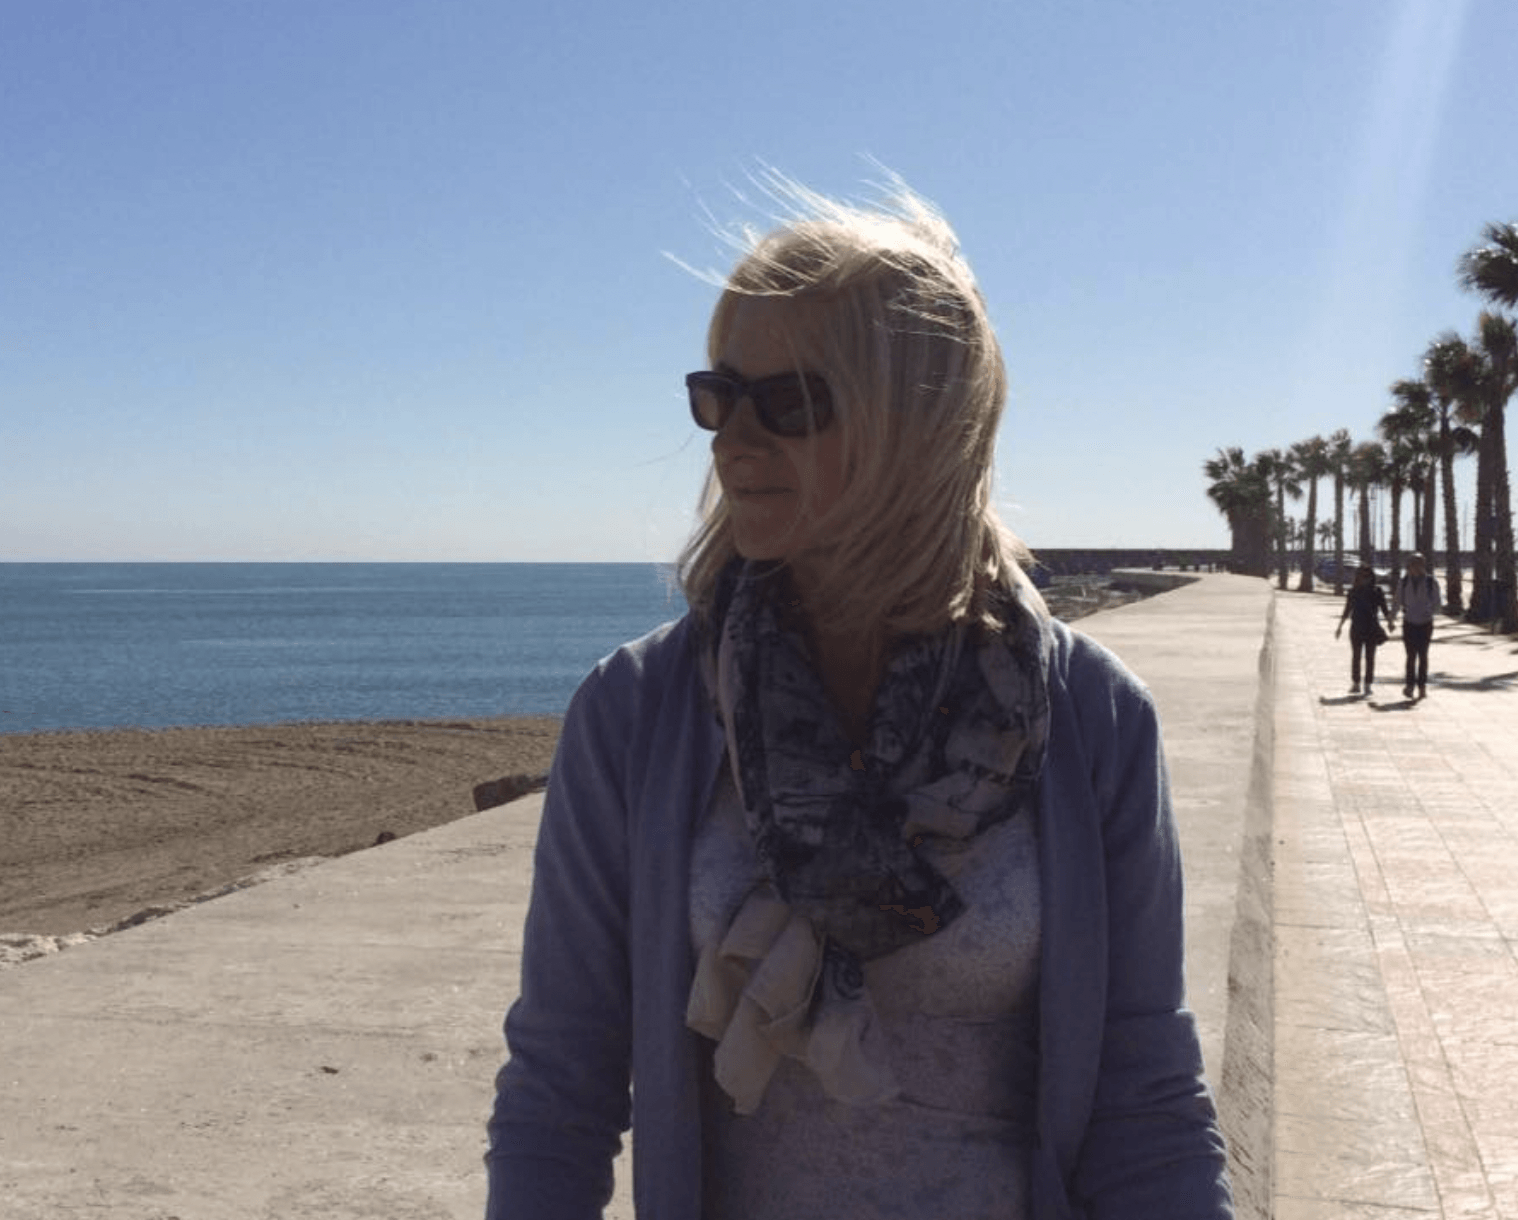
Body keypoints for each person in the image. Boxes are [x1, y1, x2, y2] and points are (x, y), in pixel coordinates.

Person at [484, 177, 1234, 1220]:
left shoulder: (1092, 719)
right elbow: (559, 1086)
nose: (731, 439)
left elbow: (1146, 1100)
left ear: (920, 424)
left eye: (787, 401)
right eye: (718, 394)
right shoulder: (637, 711)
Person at [1334, 565, 1393, 695]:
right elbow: (1347, 609)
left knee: (1370, 657)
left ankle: (1367, 684)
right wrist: (1340, 627)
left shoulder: (1377, 591)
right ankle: (1356, 683)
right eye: (1362, 576)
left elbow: (1384, 609)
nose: (1365, 579)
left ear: (1372, 577)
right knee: (1356, 656)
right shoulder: (1353, 591)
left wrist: (1390, 622)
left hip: (1371, 627)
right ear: (1357, 577)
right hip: (1356, 628)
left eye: (1367, 576)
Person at [1395, 553, 1440, 699]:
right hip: (1409, 623)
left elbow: (1437, 604)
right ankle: (1409, 685)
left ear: (1421, 566)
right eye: (1410, 565)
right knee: (1410, 657)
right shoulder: (1404, 582)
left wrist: (1427, 612)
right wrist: (1391, 617)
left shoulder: (1431, 582)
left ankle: (1422, 686)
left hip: (1425, 624)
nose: (1412, 568)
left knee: (1423, 656)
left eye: (1416, 565)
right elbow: (1397, 601)